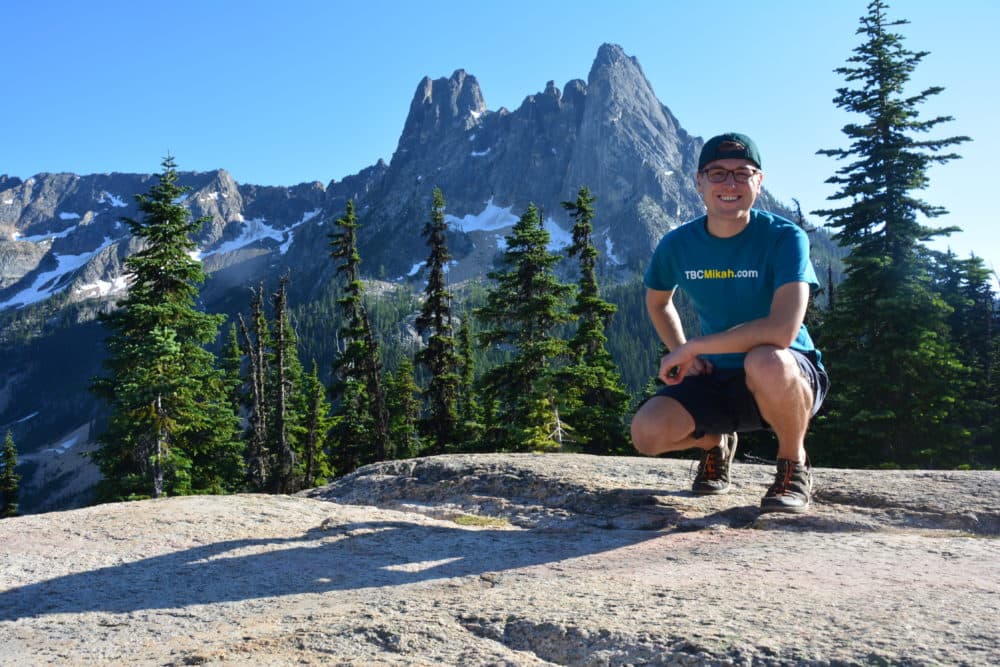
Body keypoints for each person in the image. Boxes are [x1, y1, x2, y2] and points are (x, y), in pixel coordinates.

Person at [630, 132, 829, 513]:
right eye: (718, 173)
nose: (730, 184)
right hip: (717, 377)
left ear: (759, 181)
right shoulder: (677, 244)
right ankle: (714, 443)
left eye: (743, 173)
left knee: (765, 359)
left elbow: (782, 331)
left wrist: (693, 347)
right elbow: (658, 302)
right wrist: (680, 352)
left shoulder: (785, 238)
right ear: (699, 182)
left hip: (789, 373)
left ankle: (793, 464)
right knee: (646, 433)